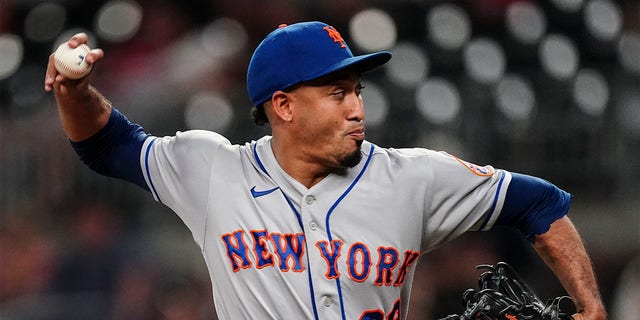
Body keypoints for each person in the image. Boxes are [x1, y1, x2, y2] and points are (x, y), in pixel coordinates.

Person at [44, 21, 606, 320]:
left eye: (357, 91)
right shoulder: (212, 169)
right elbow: (109, 145)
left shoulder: (413, 178)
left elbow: (538, 202)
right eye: (337, 92)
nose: (358, 108)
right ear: (284, 106)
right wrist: (75, 90)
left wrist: (591, 307)